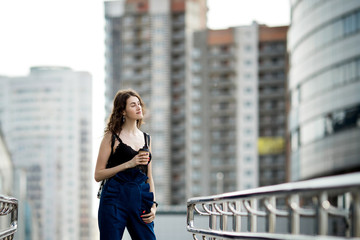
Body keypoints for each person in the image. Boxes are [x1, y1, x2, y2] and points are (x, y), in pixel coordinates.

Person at [94, 89, 157, 240]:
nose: (139, 107)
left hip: (140, 197)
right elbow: (98, 174)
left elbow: (149, 176)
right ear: (123, 111)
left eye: (139, 104)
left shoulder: (147, 139)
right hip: (114, 199)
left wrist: (154, 205)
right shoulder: (112, 136)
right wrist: (129, 164)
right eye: (133, 105)